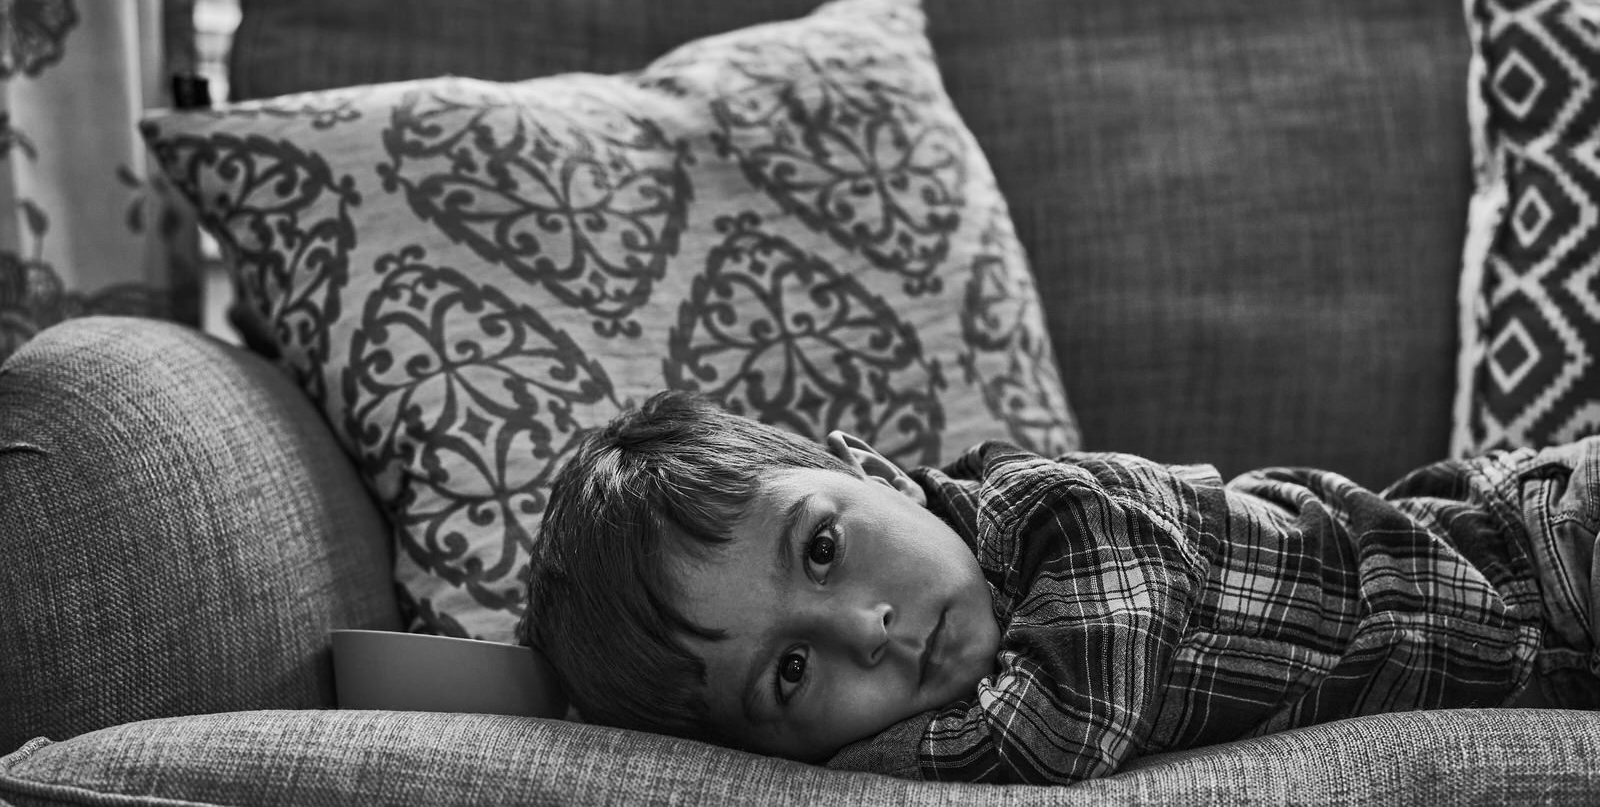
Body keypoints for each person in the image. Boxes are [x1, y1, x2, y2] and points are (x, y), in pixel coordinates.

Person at [518, 389, 1600, 785]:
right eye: (790, 669)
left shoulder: (1057, 510)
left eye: (820, 548)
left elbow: (1057, 730)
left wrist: (859, 750)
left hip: (1538, 547)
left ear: (876, 473)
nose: (866, 627)